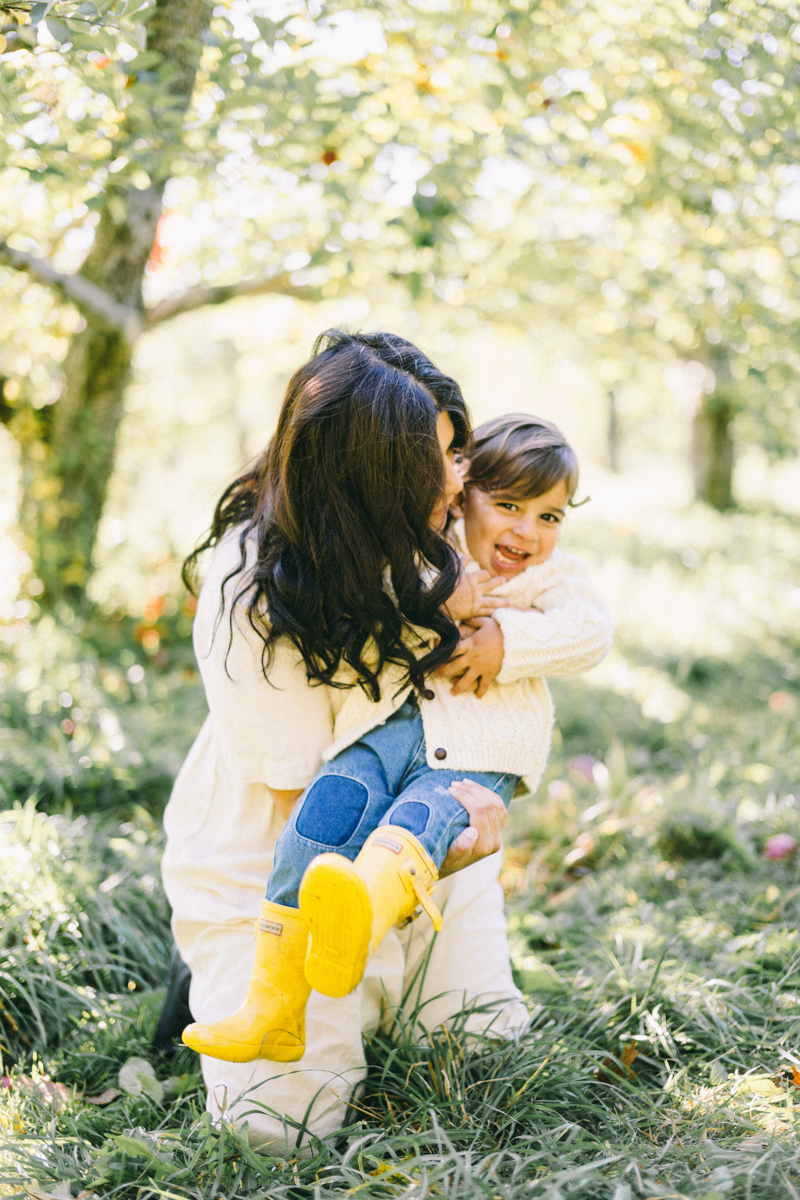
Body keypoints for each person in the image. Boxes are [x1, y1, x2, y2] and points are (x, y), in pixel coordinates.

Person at [161, 330, 528, 1150]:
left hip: (415, 838)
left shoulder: (441, 536)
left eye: (455, 448)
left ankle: (379, 996)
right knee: (279, 1132)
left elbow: (513, 673)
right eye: (435, 461)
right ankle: (218, 977)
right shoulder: (247, 590)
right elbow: (308, 813)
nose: (457, 477)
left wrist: (465, 821)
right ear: (366, 483)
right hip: (282, 864)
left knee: (481, 1060)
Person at [179, 411, 613, 1066]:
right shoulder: (428, 555)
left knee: (420, 821)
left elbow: (591, 632)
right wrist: (440, 602)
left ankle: (366, 913)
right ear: (460, 495)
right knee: (324, 814)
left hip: (473, 756)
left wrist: (508, 642)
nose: (528, 531)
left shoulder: (548, 579)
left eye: (550, 516)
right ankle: (270, 1003)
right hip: (386, 733)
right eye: (509, 505)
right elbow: (375, 595)